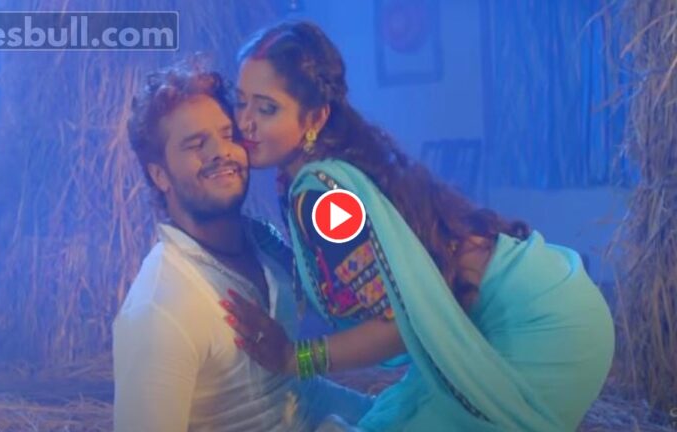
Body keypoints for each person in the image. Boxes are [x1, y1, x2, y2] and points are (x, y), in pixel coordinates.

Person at [222, 21, 615, 431]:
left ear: (316, 116)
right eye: (240, 102)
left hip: (541, 327)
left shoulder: (321, 196)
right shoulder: (329, 170)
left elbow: (397, 326)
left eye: (266, 109)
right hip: (543, 299)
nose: (244, 123)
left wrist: (294, 358)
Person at [113, 61, 372, 432]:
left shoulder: (265, 245)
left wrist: (385, 416)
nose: (221, 152)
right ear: (159, 175)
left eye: (228, 135)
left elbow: (297, 393)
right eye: (196, 144)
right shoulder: (159, 308)